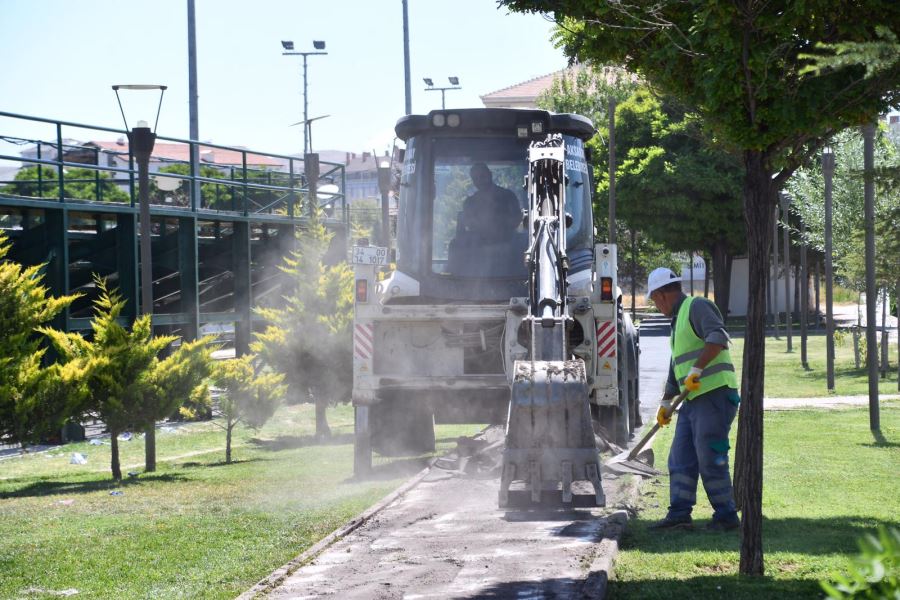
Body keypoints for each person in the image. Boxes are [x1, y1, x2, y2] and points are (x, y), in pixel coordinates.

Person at [646, 267, 741, 531]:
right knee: (680, 457)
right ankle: (679, 514)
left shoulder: (697, 306)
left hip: (715, 395)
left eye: (654, 301)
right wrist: (666, 403)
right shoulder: (677, 321)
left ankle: (726, 516)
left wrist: (697, 370)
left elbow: (718, 338)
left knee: (710, 455)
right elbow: (676, 367)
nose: (656, 307)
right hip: (693, 401)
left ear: (661, 294)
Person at [458, 162, 522, 242]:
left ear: (490, 175)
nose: (480, 181)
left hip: (507, 245)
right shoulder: (469, 203)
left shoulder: (508, 197)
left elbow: (516, 219)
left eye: (482, 176)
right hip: (478, 247)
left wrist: (499, 225)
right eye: (475, 178)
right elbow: (469, 225)